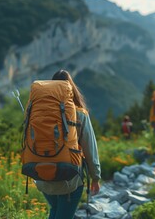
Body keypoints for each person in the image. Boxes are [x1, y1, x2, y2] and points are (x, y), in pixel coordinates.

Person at [34, 69, 101, 219]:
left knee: (56, 210)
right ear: (71, 88)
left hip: (42, 174)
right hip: (69, 179)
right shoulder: (79, 114)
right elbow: (90, 149)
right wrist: (95, 177)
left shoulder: (38, 113)